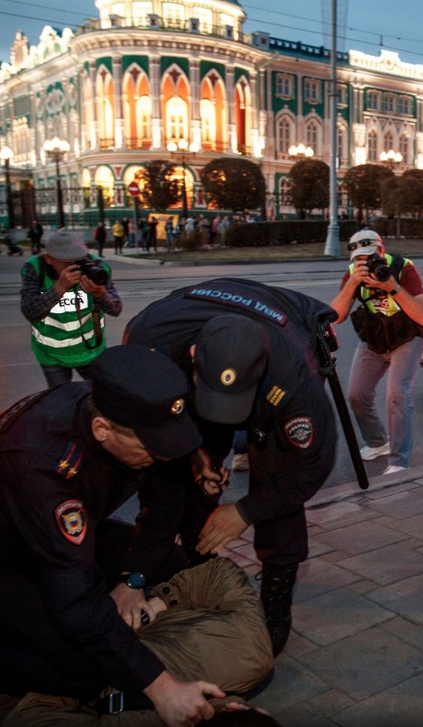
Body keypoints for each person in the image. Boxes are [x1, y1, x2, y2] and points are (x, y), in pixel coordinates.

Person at [0, 346, 224, 727]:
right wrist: (162, 688)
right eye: (152, 449)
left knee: (168, 566)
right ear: (102, 430)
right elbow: (76, 600)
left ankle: (99, 645)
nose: (162, 457)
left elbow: (164, 501)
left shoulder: (133, 415)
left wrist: (132, 580)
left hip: (47, 541)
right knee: (82, 669)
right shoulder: (39, 461)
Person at [124, 278, 340, 655]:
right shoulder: (149, 342)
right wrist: (194, 458)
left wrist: (245, 511)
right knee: (175, 475)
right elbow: (159, 434)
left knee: (275, 480)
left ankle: (276, 601)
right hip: (190, 360)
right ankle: (196, 568)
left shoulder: (294, 377)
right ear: (191, 355)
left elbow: (312, 464)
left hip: (282, 340)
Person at [1, 558, 274, 726]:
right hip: (125, 595)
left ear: (240, 708)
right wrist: (148, 609)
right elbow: (217, 571)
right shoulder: (247, 653)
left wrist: (93, 654)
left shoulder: (251, 654)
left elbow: (31, 715)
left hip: (69, 630)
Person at [330, 230, 423, 473]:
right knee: (357, 394)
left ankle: (399, 460)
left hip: (407, 337)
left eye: (371, 257)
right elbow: (336, 317)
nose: (367, 264)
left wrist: (393, 287)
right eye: (360, 260)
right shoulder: (353, 274)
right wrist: (354, 282)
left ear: (382, 251)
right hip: (375, 338)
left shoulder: (402, 268)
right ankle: (378, 442)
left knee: (397, 393)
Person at [20, 231, 123, 388]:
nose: (76, 268)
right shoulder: (35, 269)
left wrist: (100, 294)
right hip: (51, 355)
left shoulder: (96, 267)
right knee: (61, 400)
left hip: (92, 351)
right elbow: (30, 312)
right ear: (49, 259)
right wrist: (59, 288)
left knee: (102, 398)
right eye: (67, 264)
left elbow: (116, 309)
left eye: (79, 262)